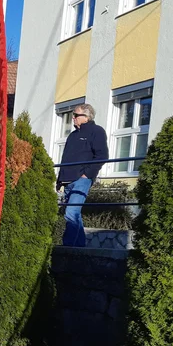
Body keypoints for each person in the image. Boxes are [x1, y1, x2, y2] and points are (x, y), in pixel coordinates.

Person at [56, 103, 108, 247]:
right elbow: (65, 158)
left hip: (81, 180)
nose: (73, 118)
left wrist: (87, 175)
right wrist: (59, 181)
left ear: (86, 117)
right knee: (75, 215)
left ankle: (68, 248)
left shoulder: (96, 131)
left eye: (76, 115)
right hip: (67, 181)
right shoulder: (72, 136)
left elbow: (102, 155)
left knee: (71, 213)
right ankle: (80, 248)